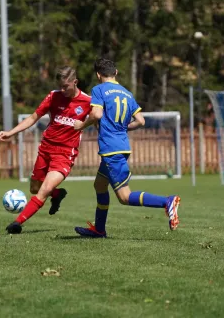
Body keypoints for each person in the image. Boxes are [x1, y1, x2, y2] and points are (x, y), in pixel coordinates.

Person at [73, 58, 180, 237]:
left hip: (110, 149)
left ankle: (167, 201)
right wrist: (123, 127)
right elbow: (141, 121)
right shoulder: (127, 93)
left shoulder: (99, 89)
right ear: (115, 73)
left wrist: (81, 126)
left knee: (124, 197)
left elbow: (96, 114)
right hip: (122, 146)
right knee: (100, 185)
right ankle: (99, 229)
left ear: (98, 75)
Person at [0, 67, 91, 234]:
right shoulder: (53, 96)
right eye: (60, 86)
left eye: (66, 86)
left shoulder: (87, 102)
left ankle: (17, 223)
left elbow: (98, 118)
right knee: (35, 188)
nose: (62, 90)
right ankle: (57, 195)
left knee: (42, 191)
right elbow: (34, 117)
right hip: (46, 149)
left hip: (64, 154)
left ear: (75, 82)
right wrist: (10, 132)